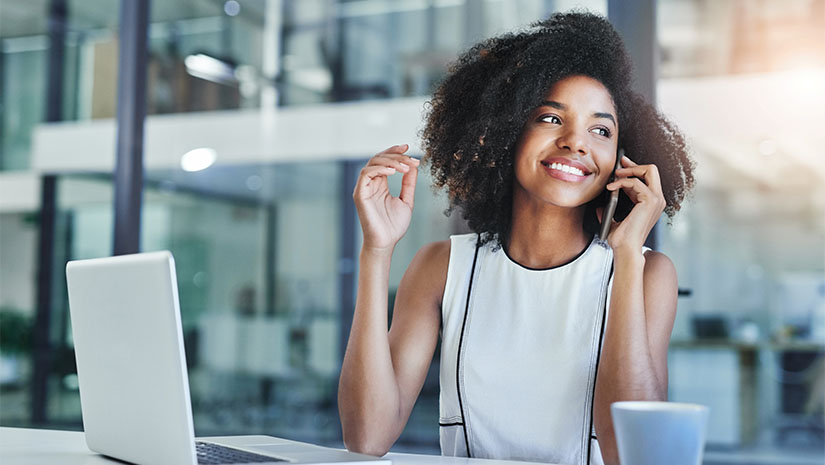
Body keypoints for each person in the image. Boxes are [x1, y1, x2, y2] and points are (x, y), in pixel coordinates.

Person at [338, 11, 695, 465]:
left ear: (620, 160)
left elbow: (632, 454)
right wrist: (376, 250)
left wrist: (625, 259)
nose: (576, 142)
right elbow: (366, 437)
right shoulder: (441, 267)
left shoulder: (646, 273)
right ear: (507, 132)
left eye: (600, 130)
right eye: (550, 118)